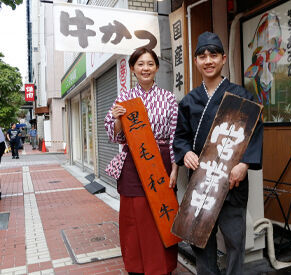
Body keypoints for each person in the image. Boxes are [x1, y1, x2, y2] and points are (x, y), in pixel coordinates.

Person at [173, 32, 263, 275]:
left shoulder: (242, 96)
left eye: (213, 55)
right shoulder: (189, 101)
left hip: (232, 181)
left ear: (223, 59)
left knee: (235, 240)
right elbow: (180, 137)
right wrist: (186, 153)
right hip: (202, 183)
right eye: (202, 56)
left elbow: (254, 132)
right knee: (200, 238)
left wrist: (244, 164)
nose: (208, 60)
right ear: (196, 62)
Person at [104, 47, 179, 275]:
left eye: (150, 64)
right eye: (140, 64)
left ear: (156, 67)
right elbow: (114, 134)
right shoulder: (124, 99)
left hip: (161, 161)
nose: (145, 68)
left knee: (161, 213)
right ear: (133, 69)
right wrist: (117, 118)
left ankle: (162, 266)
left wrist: (175, 170)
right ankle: (136, 266)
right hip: (133, 163)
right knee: (133, 216)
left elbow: (176, 135)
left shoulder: (168, 98)